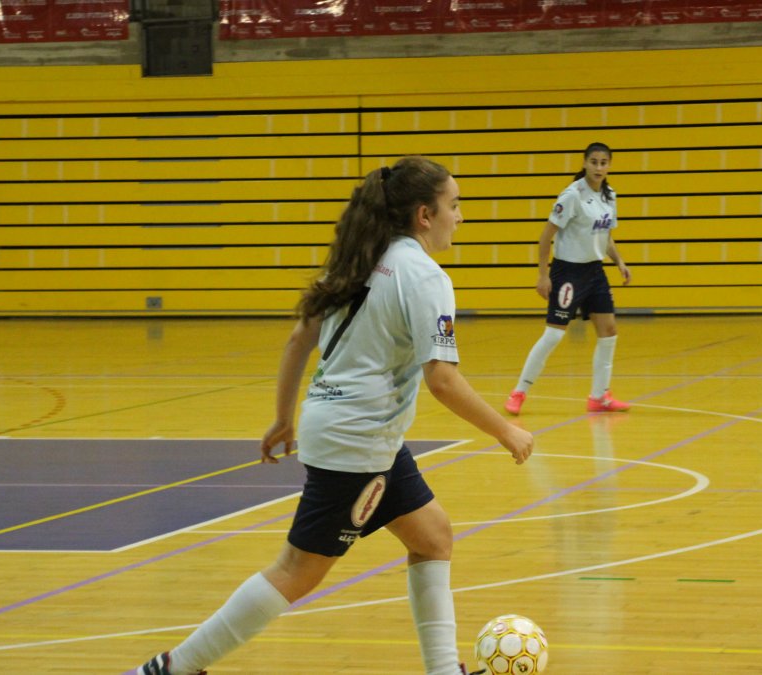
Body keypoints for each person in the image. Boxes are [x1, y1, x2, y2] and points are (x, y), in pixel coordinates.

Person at [136, 156, 534, 675]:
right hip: (358, 441)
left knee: (432, 535)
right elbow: (442, 379)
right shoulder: (424, 276)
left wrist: (284, 417)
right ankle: (173, 668)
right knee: (296, 571)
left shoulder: (356, 259)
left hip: (359, 434)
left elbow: (300, 336)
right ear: (424, 214)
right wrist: (505, 429)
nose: (460, 217)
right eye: (453, 206)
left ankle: (443, 670)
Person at [504, 142, 632, 416]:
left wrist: (618, 261)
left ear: (609, 165)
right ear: (585, 163)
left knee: (608, 331)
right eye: (594, 162)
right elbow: (546, 236)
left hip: (595, 272)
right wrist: (543, 274)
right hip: (568, 273)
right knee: (552, 336)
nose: (599, 167)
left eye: (604, 162)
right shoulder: (571, 196)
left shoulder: (610, 196)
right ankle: (519, 392)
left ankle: (600, 396)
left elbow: (605, 235)